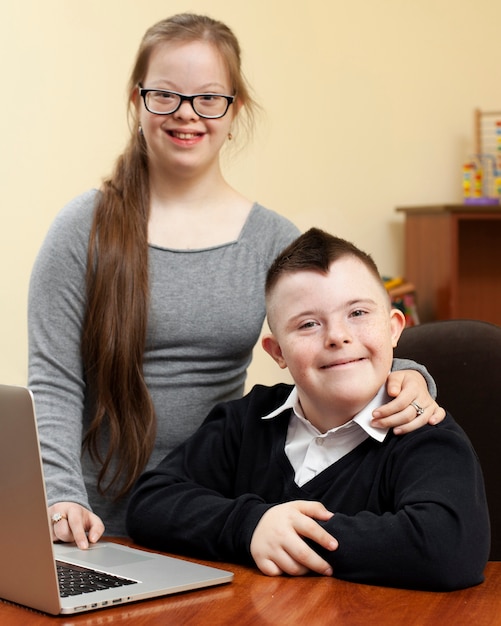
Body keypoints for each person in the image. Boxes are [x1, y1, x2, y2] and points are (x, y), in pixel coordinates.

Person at [28, 13, 443, 549]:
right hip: (89, 521)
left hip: (206, 511)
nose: (186, 115)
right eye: (165, 95)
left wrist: (412, 375)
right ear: (138, 101)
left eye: (208, 98)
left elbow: (332, 335)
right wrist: (61, 496)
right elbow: (54, 380)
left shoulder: (272, 239)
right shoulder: (79, 230)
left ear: (234, 108)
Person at [126, 228, 490, 591]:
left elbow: (446, 549)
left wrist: (291, 536)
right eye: (308, 324)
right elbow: (151, 503)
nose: (337, 336)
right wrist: (252, 525)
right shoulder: (246, 420)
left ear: (394, 328)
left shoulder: (425, 433)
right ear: (278, 352)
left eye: (358, 312)